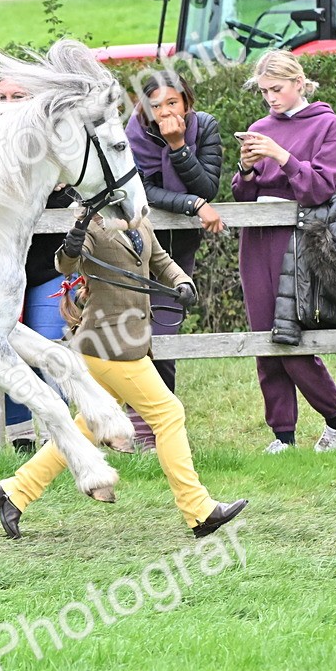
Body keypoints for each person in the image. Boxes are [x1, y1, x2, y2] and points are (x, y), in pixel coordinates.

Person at [0, 208, 248, 540]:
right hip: (108, 345)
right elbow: (65, 264)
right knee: (168, 413)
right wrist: (72, 242)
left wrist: (181, 281)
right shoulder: (93, 227)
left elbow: (161, 259)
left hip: (131, 342)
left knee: (86, 427)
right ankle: (199, 509)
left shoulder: (139, 218)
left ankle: (15, 491)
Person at [232, 50, 336, 453]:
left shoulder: (326, 124)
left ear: (299, 84)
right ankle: (282, 435)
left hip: (301, 238)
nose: (270, 98)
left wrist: (281, 157)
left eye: (277, 89)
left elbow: (321, 189)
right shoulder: (260, 127)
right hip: (257, 238)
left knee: (290, 335)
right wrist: (248, 167)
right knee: (264, 337)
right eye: (264, 91)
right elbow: (243, 194)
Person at [124, 71, 224, 449]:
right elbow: (139, 189)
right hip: (132, 241)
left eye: (172, 103)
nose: (165, 110)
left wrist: (179, 147)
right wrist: (192, 204)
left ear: (186, 102)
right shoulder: (132, 135)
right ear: (144, 107)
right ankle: (136, 428)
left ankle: (160, 430)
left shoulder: (206, 128)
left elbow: (207, 186)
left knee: (163, 337)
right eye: (156, 105)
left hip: (177, 248)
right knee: (131, 335)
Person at [0, 75, 72, 453]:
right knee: (6, 351)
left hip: (46, 268)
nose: (8, 102)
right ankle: (20, 437)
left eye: (17, 96)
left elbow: (77, 194)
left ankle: (59, 435)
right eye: (0, 96)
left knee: (50, 347)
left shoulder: (57, 146)